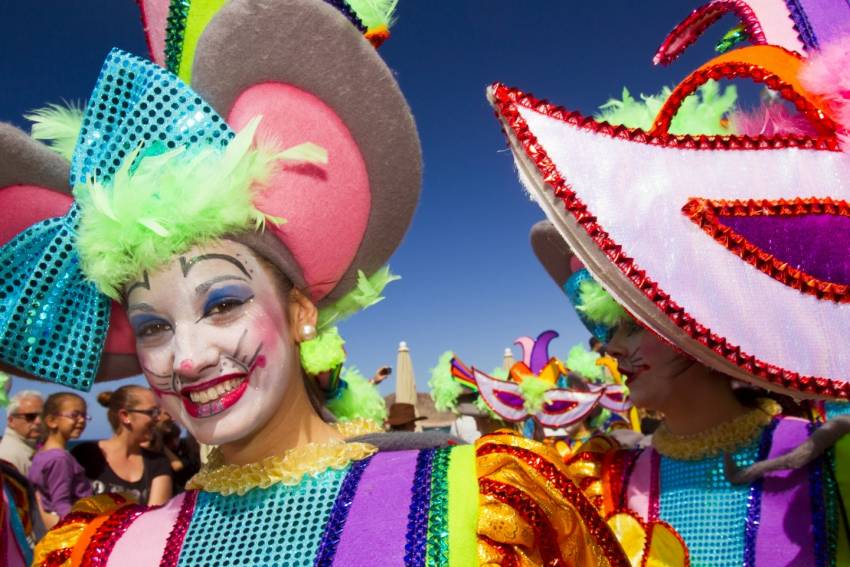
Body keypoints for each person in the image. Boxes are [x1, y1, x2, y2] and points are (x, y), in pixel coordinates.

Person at [9, 2, 639, 565]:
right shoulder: (104, 550)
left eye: (222, 304)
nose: (188, 358)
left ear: (300, 311)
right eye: (153, 327)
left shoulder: (475, 511)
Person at [494, 0, 850, 562]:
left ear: (701, 318)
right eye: (604, 328)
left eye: (632, 325)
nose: (609, 349)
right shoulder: (599, 483)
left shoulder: (831, 468)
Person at [71, 386, 172, 506]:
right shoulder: (85, 455)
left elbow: (156, 513)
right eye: (152, 412)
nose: (158, 418)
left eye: (158, 412)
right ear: (125, 416)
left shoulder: (158, 462)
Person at [27, 392, 92, 528]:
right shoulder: (60, 459)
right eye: (74, 415)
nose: (81, 420)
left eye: (84, 416)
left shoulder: (42, 453)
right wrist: (75, 528)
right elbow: (61, 504)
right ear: (52, 421)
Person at [0, 390, 43, 476]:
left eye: (43, 415)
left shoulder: (29, 448)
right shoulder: (8, 457)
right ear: (11, 421)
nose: (39, 421)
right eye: (30, 416)